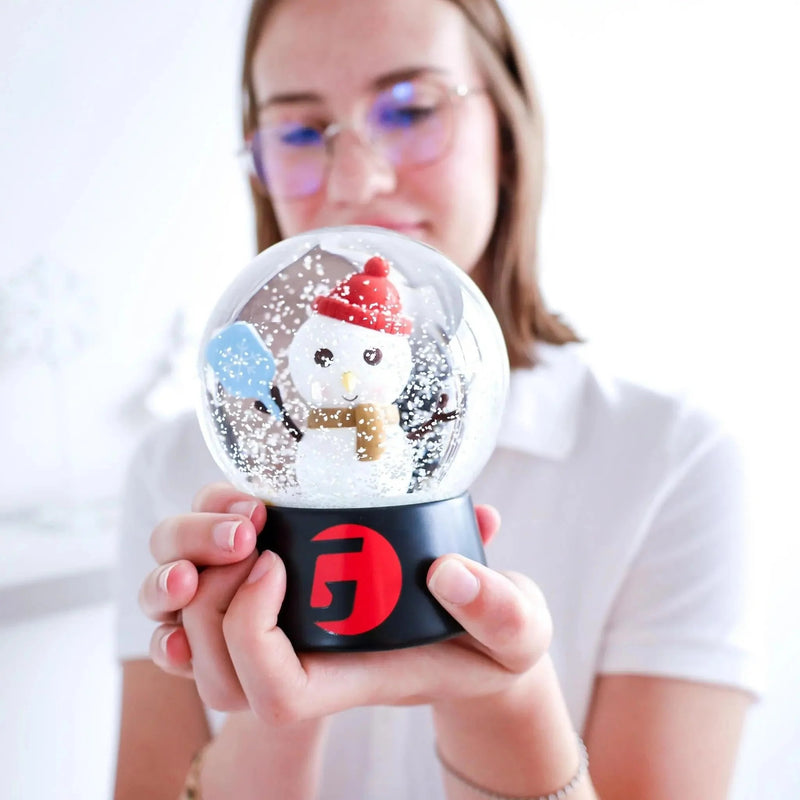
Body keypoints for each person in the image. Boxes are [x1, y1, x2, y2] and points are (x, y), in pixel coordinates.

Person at [113, 0, 761, 798]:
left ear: (509, 136)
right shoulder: (178, 468)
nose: (357, 182)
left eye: (412, 110)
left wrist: (506, 699)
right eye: (298, 131)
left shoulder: (673, 459)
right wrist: (267, 694)